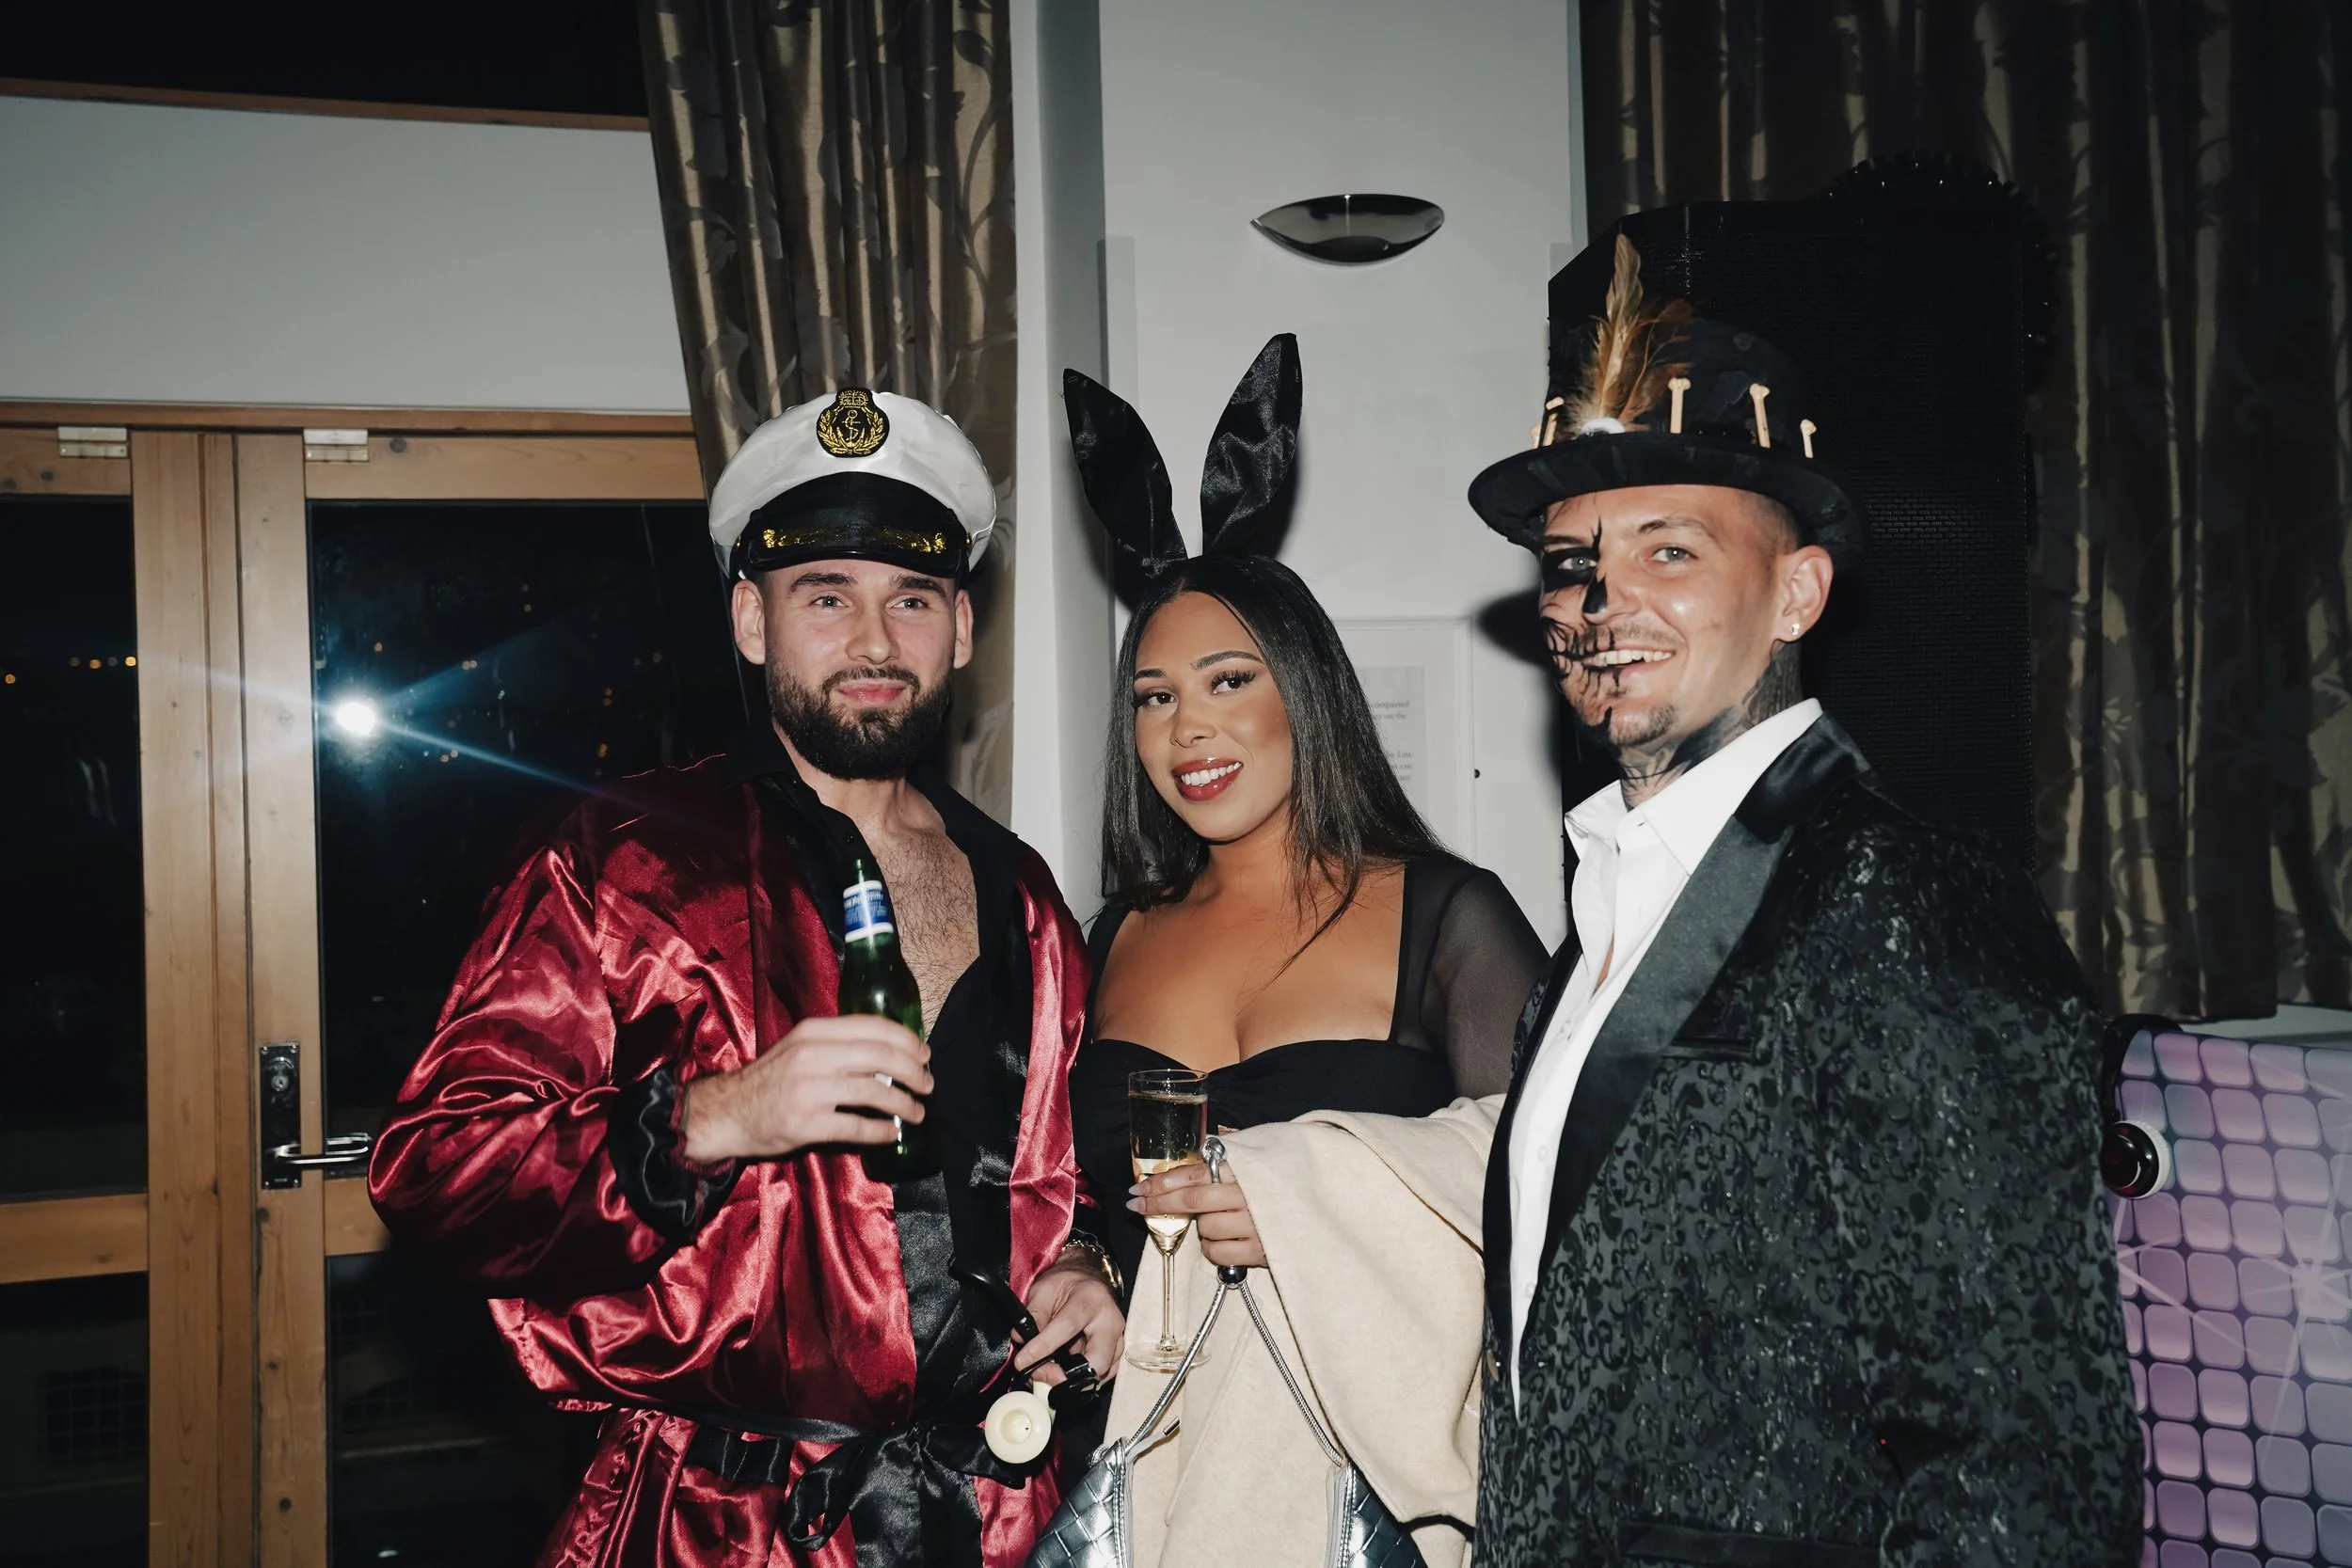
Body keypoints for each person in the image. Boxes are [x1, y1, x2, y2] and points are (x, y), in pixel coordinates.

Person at [1133, 238, 2140, 1566]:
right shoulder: (1597, 926)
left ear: (1798, 590)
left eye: (1671, 549)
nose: (1604, 602)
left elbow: (2026, 1463)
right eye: (1572, 562)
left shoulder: (1905, 897)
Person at [367, 388, 1122, 1568]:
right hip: (720, 1525)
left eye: (912, 597)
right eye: (826, 595)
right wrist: (710, 1117)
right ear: (751, 620)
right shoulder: (621, 856)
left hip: (996, 1516)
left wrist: (1085, 1261)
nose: (875, 641)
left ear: (963, 627)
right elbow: (436, 1169)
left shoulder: (1021, 890)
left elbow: (1056, 1175)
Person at [1060, 337, 1549, 1294]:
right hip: (1149, 1390)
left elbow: (1548, 1191)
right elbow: (1062, 1197)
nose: (1187, 728)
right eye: (1154, 697)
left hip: (1368, 1390)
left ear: (1306, 690)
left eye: (1228, 681)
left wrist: (1319, 1200)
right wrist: (1085, 1267)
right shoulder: (1106, 940)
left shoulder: (1445, 918)